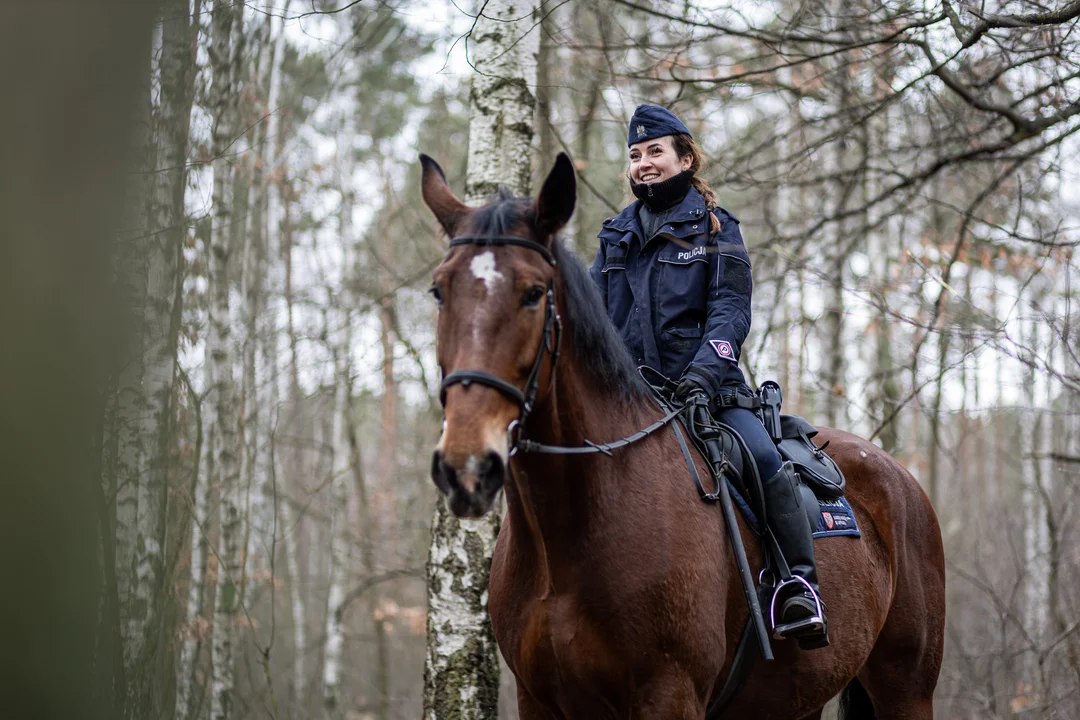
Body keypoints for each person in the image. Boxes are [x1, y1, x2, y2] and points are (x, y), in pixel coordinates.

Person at [589, 104, 826, 645]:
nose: (643, 163)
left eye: (655, 152)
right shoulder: (613, 238)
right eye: (634, 155)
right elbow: (592, 320)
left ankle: (797, 587)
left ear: (685, 158)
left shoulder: (718, 229)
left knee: (765, 460)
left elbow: (730, 313)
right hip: (631, 403)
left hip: (711, 395)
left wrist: (701, 376)